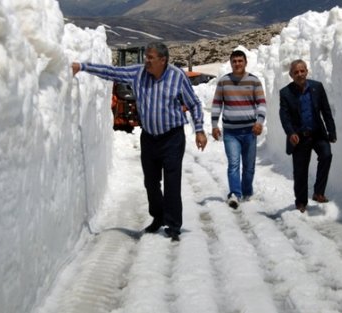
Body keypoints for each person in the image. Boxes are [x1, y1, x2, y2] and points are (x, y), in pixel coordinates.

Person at [72, 42, 208, 241]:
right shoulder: (139, 73)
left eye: (150, 58)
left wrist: (199, 130)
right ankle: (158, 217)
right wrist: (83, 67)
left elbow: (194, 104)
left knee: (172, 183)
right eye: (146, 57)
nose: (146, 61)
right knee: (151, 182)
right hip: (149, 138)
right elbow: (112, 72)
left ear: (163, 60)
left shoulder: (177, 76)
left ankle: (173, 225)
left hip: (172, 138)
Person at [278, 59, 336, 213]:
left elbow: (326, 110)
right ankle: (301, 202)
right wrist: (291, 133)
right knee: (300, 170)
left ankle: (318, 192)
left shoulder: (317, 87)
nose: (299, 74)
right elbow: (285, 117)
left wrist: (331, 131)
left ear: (307, 71)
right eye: (296, 72)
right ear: (291, 75)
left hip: (317, 133)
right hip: (299, 136)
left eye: (302, 71)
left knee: (326, 155)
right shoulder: (285, 93)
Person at [211, 50, 267, 209]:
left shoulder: (254, 81)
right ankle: (235, 193)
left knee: (249, 167)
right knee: (234, 164)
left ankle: (247, 192)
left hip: (250, 131)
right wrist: (214, 125)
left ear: (245, 62)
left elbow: (261, 103)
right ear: (231, 63)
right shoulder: (224, 82)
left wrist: (259, 122)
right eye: (234, 61)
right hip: (231, 132)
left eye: (240, 61)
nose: (237, 64)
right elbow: (216, 104)